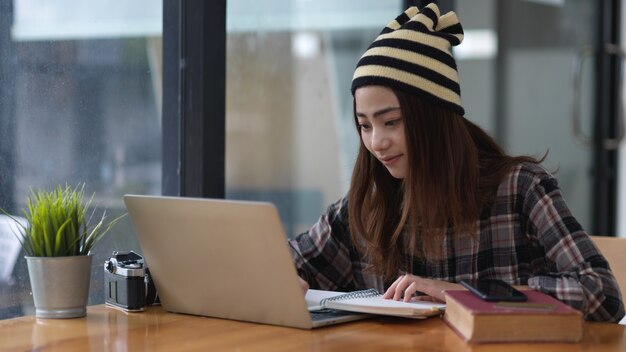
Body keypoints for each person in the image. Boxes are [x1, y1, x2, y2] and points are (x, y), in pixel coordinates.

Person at [288, 3, 625, 322]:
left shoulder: (522, 189)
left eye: (391, 121)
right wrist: (285, 276)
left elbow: (603, 295)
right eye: (365, 125)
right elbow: (285, 262)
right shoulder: (366, 206)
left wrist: (465, 294)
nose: (377, 142)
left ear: (434, 119)